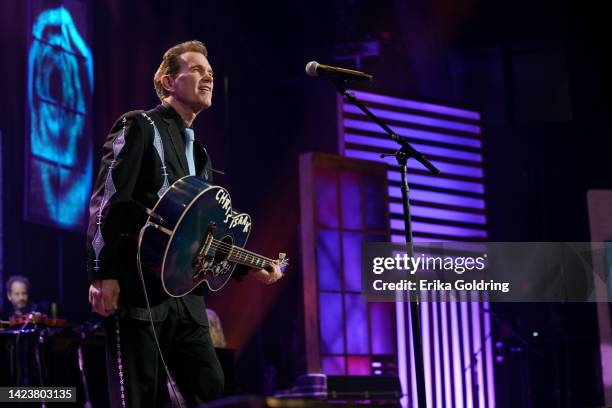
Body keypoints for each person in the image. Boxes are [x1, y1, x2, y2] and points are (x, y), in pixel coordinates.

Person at [86, 40, 283, 408]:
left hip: (187, 297)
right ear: (166, 81)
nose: (207, 76)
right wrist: (103, 272)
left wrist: (251, 266)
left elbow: (202, 235)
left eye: (209, 71)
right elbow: (108, 200)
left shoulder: (201, 155)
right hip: (138, 286)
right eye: (196, 70)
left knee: (210, 387)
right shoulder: (140, 125)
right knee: (140, 397)